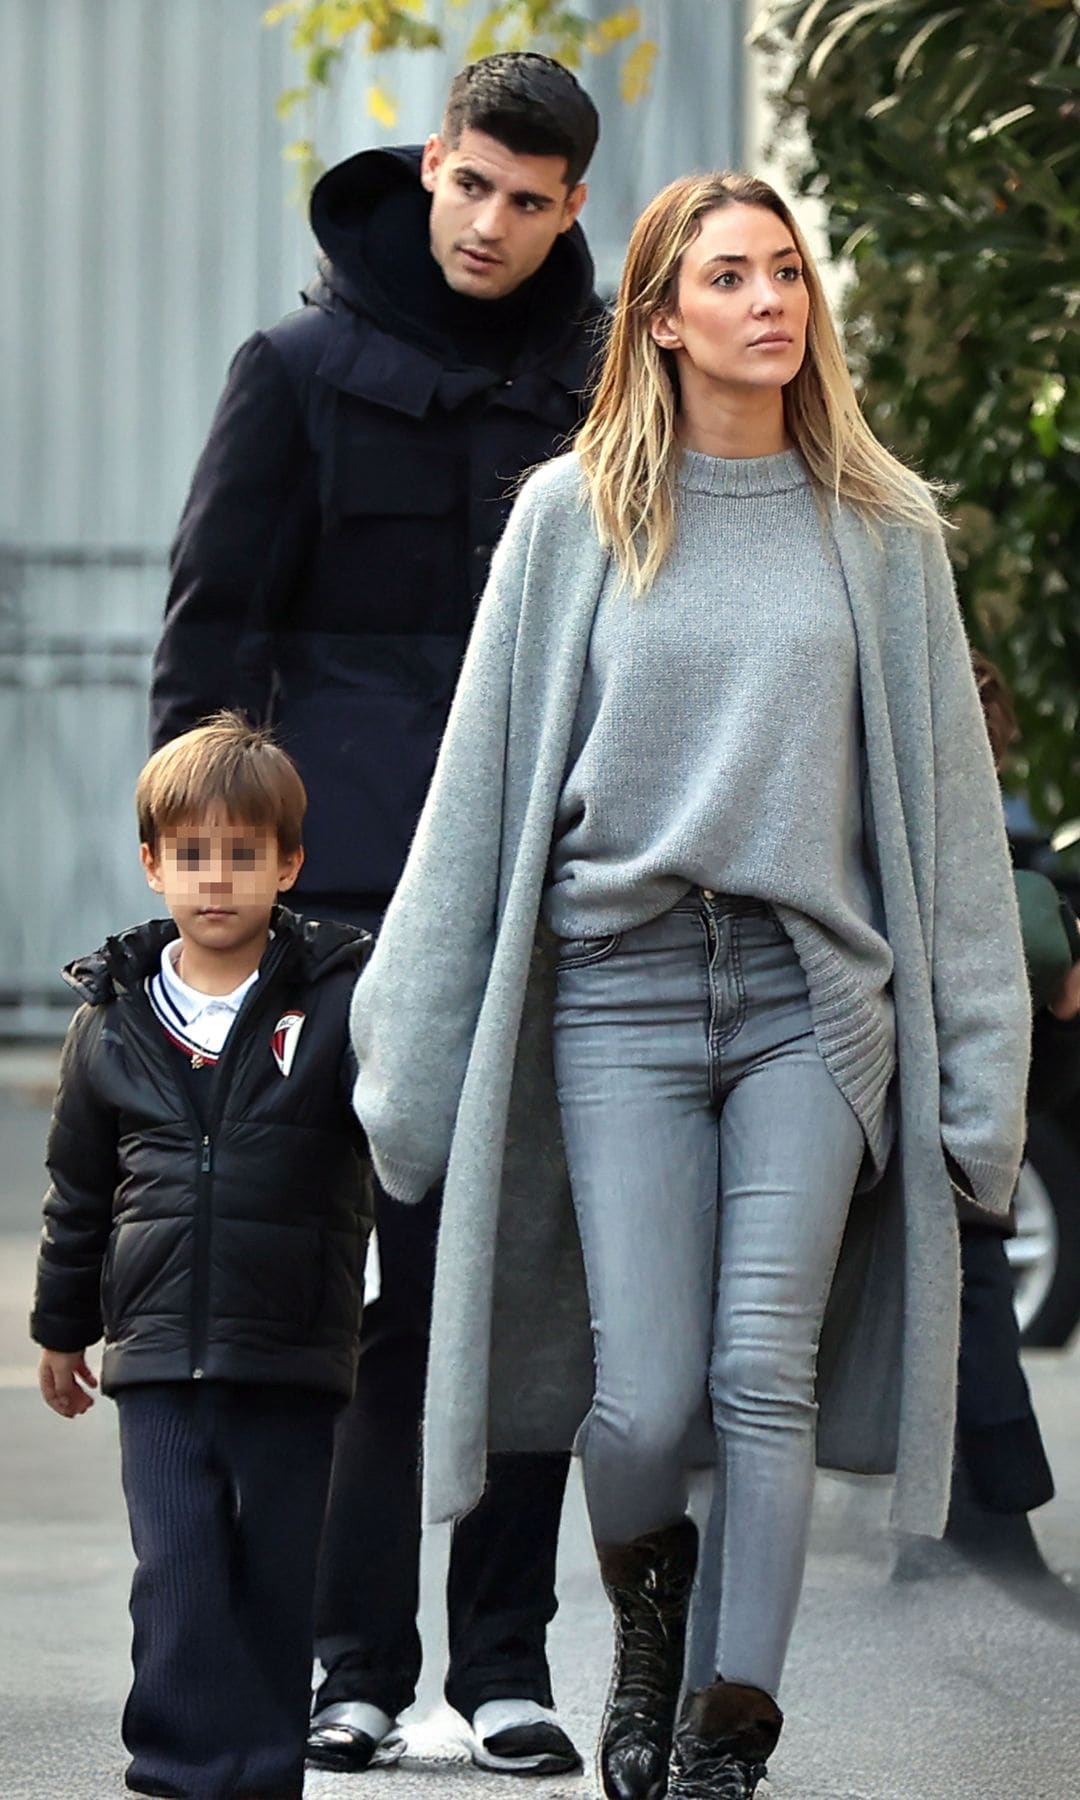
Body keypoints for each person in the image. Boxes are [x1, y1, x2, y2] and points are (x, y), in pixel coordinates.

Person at [347, 172, 1032, 1800]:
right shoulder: (568, 523)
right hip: (622, 995)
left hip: (813, 998)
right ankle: (649, 1625)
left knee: (760, 1373)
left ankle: (728, 1729)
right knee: (643, 1395)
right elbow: (478, 797)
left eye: (788, 272)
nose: (772, 302)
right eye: (730, 277)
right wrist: (408, 1061)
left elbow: (946, 826)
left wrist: (976, 1082)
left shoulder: (884, 532)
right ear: (662, 318)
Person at [148, 50, 604, 1777]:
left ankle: (508, 1665)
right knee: (364, 1301)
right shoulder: (293, 372)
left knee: (525, 1291)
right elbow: (206, 655)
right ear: (433, 165)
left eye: (531, 198)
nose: (491, 224)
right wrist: (218, 916)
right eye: (471, 182)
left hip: (549, 900)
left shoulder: (597, 387)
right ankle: (351, 1663)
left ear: (571, 206)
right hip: (339, 913)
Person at [29, 713, 372, 1800]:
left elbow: (400, 1148)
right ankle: (180, 1774)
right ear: (152, 865)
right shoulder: (115, 1022)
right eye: (190, 855)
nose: (214, 879)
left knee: (273, 1581)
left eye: (241, 855)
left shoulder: (339, 1006)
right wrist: (58, 1328)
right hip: (159, 1354)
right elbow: (80, 1191)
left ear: (289, 863)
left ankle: (262, 1773)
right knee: (177, 1576)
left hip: (290, 1351)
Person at [946, 653, 1080, 1563]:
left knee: (963, 1280)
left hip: (941, 1112)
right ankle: (988, 1519)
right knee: (969, 1276)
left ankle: (979, 1524)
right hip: (959, 1114)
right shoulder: (994, 871)